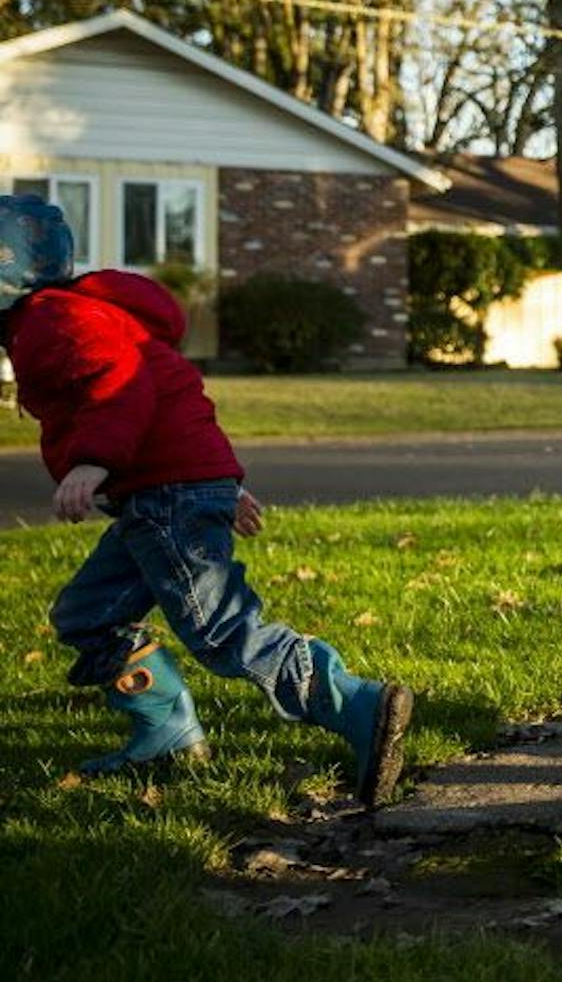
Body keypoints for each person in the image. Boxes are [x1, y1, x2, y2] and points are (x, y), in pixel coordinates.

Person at [0, 194, 413, 807]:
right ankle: (166, 733)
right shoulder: (82, 312)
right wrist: (222, 484)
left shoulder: (54, 320)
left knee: (221, 630)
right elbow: (177, 400)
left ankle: (356, 704)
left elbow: (124, 387)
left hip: (164, 497)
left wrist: (94, 460)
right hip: (170, 492)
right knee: (88, 614)